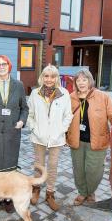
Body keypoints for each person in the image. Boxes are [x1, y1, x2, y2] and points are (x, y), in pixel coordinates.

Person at [66, 69, 112, 206]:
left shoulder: (102, 97)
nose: (81, 83)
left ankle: (91, 190)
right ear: (75, 83)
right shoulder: (70, 97)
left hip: (97, 141)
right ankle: (83, 192)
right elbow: (63, 118)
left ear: (90, 81)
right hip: (77, 141)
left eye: (84, 80)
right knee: (78, 169)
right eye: (78, 80)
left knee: (94, 171)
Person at [0, 55, 29, 213]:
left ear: (9, 66)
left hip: (11, 131)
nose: (1, 67)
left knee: (9, 167)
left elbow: (24, 108)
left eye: (4, 64)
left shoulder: (19, 85)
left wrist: (21, 121)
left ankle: (8, 198)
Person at [27, 65, 73, 211]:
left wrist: (61, 130)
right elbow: (30, 115)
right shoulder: (35, 93)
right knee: (39, 165)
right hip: (38, 137)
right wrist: (34, 128)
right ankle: (36, 189)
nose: (49, 79)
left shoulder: (64, 93)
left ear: (56, 78)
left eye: (52, 76)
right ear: (42, 77)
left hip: (56, 138)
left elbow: (68, 116)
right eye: (46, 76)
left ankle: (50, 194)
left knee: (53, 166)